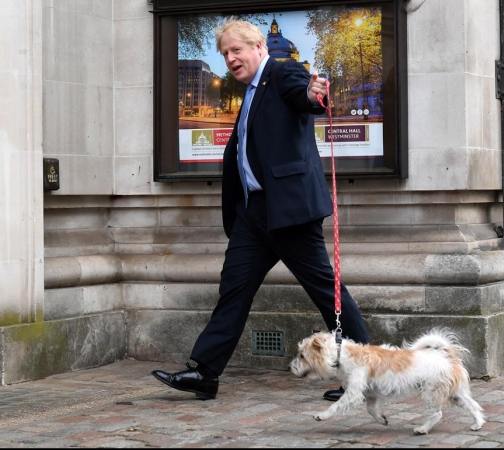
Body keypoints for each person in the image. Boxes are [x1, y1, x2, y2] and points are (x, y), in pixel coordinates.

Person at [152, 17, 369, 402]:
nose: (231, 58)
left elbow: (306, 96)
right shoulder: (250, 91)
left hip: (289, 211)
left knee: (326, 292)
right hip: (253, 215)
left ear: (258, 48)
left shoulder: (282, 73)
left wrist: (316, 93)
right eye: (225, 53)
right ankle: (205, 372)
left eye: (236, 50)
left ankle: (364, 372)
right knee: (232, 291)